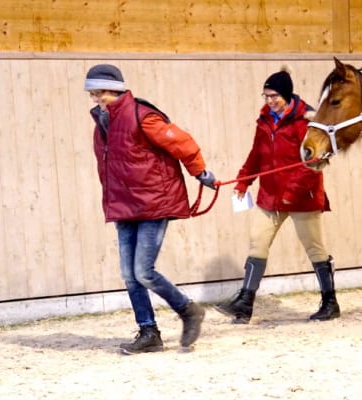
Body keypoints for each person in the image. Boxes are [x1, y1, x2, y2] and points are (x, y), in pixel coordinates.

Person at [84, 64, 217, 354]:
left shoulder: (142, 116)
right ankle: (149, 333)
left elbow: (182, 143)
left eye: (100, 93)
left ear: (116, 90)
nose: (96, 100)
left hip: (154, 202)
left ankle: (188, 310)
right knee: (129, 275)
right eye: (93, 95)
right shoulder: (103, 123)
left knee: (143, 271)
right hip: (124, 205)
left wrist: (200, 172)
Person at [215, 66, 340, 323]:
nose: (270, 101)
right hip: (269, 196)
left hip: (302, 198)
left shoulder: (306, 123)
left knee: (315, 248)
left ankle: (330, 303)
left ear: (286, 95)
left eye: (274, 96)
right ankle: (245, 302)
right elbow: (256, 155)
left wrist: (290, 193)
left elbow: (311, 167)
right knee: (257, 243)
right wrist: (243, 182)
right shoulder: (264, 121)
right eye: (266, 96)